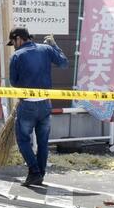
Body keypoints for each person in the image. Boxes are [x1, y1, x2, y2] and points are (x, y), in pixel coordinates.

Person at [8, 27, 69, 186]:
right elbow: (64, 63)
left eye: (13, 42)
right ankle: (39, 175)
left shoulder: (17, 55)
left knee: (22, 140)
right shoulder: (47, 49)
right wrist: (55, 46)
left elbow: (14, 82)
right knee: (43, 142)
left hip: (28, 104)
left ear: (19, 38)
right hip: (45, 104)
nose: (14, 45)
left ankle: (34, 171)